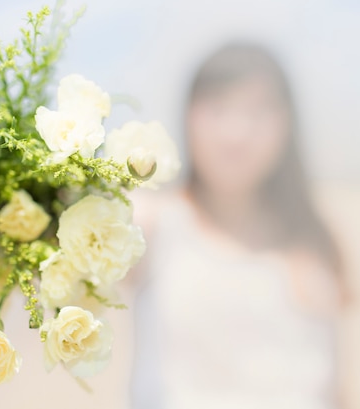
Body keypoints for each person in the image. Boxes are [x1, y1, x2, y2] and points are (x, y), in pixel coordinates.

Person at [131, 43, 344, 409]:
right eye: (218, 108)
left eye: (259, 110)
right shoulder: (151, 223)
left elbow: (337, 390)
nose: (236, 131)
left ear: (287, 123)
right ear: (188, 116)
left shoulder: (314, 237)